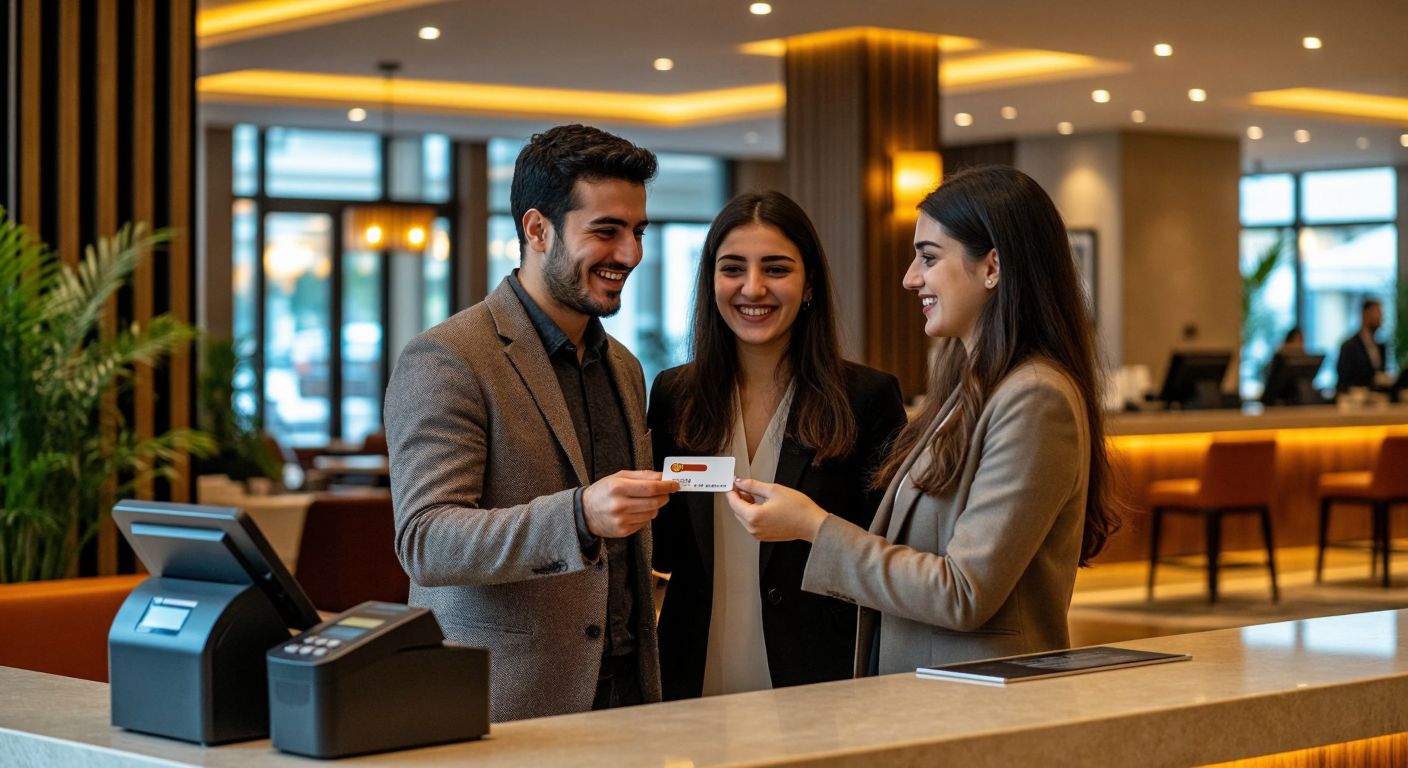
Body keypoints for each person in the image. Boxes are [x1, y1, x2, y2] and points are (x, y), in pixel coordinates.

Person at [723, 165, 1120, 675]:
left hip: (983, 704)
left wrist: (813, 526)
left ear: (992, 266)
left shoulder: (1035, 396)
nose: (911, 278)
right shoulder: (974, 386)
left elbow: (963, 593)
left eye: (928, 257)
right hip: (937, 694)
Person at [384, 124, 678, 722]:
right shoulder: (449, 356)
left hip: (629, 696)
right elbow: (425, 541)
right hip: (502, 706)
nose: (630, 254)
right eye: (606, 231)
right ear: (537, 229)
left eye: (638, 231)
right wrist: (579, 516)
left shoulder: (623, 366)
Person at [648, 191, 907, 698]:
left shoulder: (866, 398)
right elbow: (666, 547)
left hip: (819, 676)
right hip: (692, 673)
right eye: (732, 268)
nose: (753, 287)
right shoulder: (675, 394)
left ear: (809, 283)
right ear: (711, 281)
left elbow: (888, 555)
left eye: (776, 269)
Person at [1335, 299, 1386, 392]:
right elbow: (1344, 380)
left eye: (1381, 314)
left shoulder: (1380, 346)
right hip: (1354, 402)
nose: (1381, 318)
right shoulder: (1349, 346)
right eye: (1377, 313)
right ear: (1364, 314)